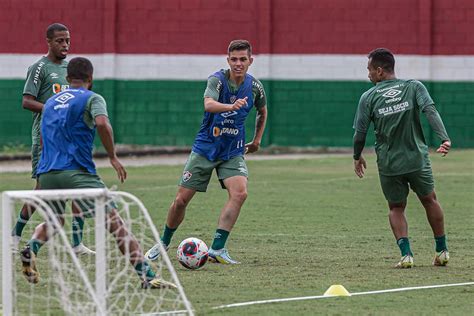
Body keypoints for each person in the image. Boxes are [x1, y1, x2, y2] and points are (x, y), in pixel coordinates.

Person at [19, 57, 174, 289]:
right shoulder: (92, 98)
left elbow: (43, 133)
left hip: (47, 171)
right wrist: (112, 155)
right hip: (78, 172)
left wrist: (46, 165)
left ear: (68, 78)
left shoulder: (51, 102)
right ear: (90, 78)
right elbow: (102, 123)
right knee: (116, 223)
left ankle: (31, 247)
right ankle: (148, 275)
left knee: (55, 219)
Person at [146, 39, 268, 264]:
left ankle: (217, 249)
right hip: (205, 148)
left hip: (232, 150)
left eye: (243, 59)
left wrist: (257, 139)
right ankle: (163, 242)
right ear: (227, 60)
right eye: (234, 59)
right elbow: (208, 104)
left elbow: (262, 110)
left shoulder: (254, 87)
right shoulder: (217, 80)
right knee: (181, 201)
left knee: (240, 193)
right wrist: (230, 107)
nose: (238, 64)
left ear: (251, 61)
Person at [352, 48, 451, 268]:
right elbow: (430, 111)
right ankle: (442, 251)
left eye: (369, 70)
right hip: (417, 159)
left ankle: (406, 256)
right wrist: (444, 138)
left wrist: (357, 156)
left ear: (379, 71)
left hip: (389, 163)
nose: (368, 74)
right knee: (430, 200)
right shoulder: (414, 86)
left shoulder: (368, 97)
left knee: (396, 208)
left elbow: (359, 134)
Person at [13, 23, 94, 255]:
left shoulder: (71, 69)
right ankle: (15, 235)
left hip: (70, 140)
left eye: (68, 40)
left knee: (79, 184)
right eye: (60, 41)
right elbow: (27, 101)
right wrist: (54, 108)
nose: (65, 45)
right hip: (46, 139)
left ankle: (77, 243)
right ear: (48, 41)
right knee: (41, 188)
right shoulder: (40, 68)